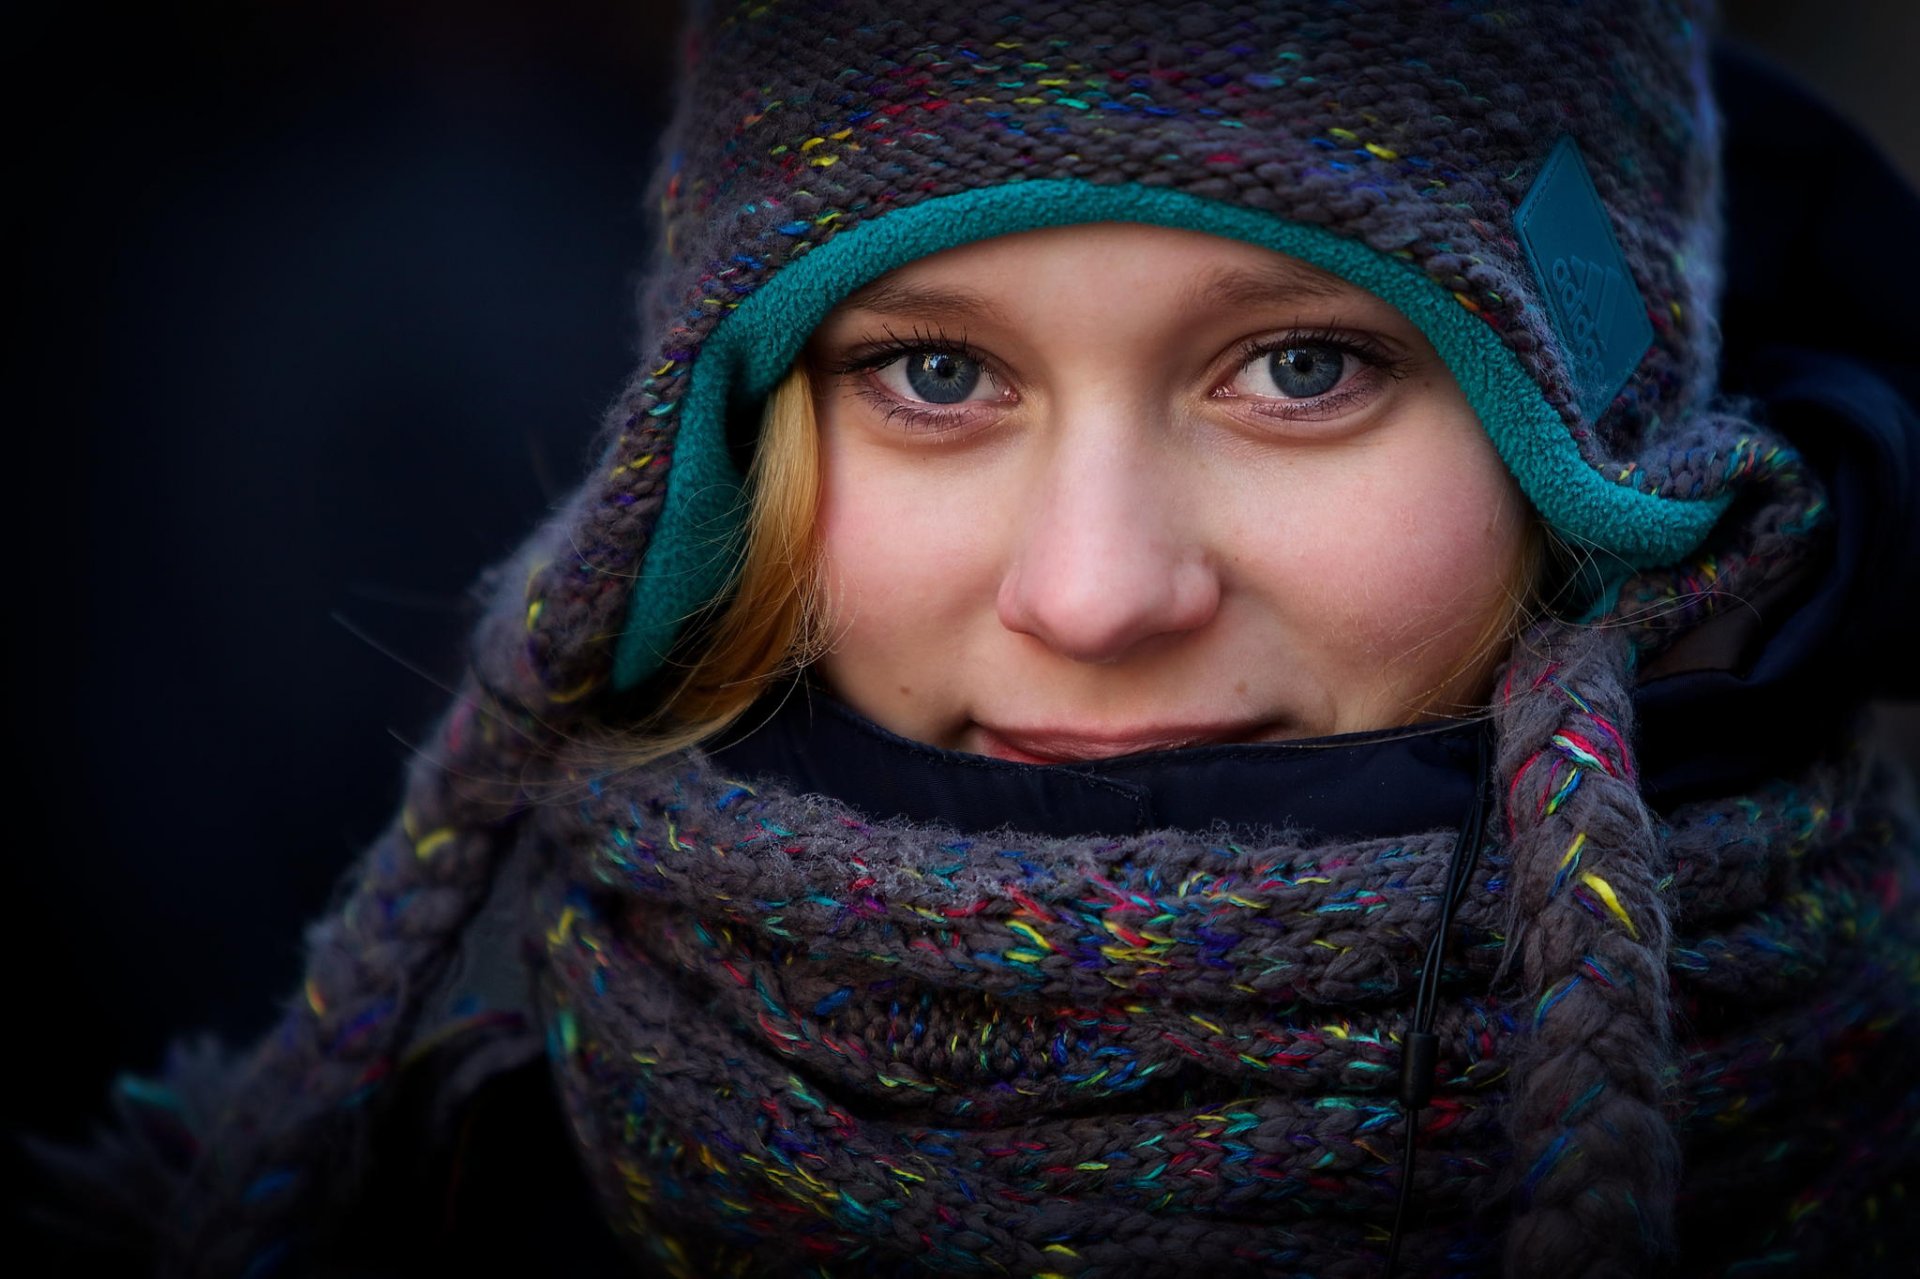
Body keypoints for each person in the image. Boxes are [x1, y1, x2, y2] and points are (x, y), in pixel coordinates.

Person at [42, 2, 1919, 1276]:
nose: (1096, 595)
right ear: (719, 463)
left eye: (1303, 366)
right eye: (935, 374)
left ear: (1613, 456)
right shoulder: (471, 1181)